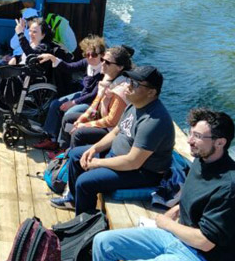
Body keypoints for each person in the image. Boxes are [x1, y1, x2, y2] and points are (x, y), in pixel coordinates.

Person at [91, 109, 235, 261]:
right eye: (191, 133)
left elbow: (205, 242)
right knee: (103, 242)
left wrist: (167, 224)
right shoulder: (202, 160)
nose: (190, 141)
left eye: (198, 136)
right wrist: (176, 210)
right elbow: (194, 197)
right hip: (178, 238)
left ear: (220, 142)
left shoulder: (231, 187)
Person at [50, 65, 174, 214]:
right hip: (118, 157)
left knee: (85, 182)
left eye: (135, 84)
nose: (128, 85)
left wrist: (97, 163)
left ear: (151, 92)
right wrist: (94, 149)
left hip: (142, 172)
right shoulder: (134, 105)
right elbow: (116, 132)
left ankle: (84, 223)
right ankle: (73, 200)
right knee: (76, 155)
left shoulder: (154, 121)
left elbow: (133, 162)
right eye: (129, 80)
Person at [32, 35, 107, 151]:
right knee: (55, 104)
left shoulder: (104, 71)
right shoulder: (87, 63)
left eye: (94, 55)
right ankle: (51, 138)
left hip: (93, 103)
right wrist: (53, 58)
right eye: (87, 54)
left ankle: (63, 146)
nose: (90, 57)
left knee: (69, 114)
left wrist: (73, 102)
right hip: (83, 95)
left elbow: (93, 95)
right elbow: (69, 67)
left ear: (102, 55)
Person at [61, 46, 134, 151]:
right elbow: (96, 103)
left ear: (120, 67)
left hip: (112, 130)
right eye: (103, 60)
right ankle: (65, 151)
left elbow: (111, 121)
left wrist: (85, 125)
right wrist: (82, 119)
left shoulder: (121, 89)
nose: (102, 63)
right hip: (100, 117)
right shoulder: (107, 80)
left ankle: (75, 159)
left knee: (79, 133)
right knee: (69, 119)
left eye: (107, 62)